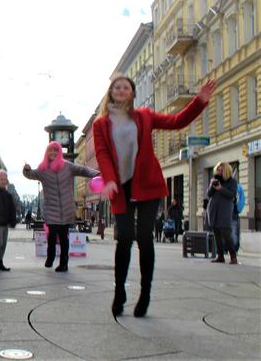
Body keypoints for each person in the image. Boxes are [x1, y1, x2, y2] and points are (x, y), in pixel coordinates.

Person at [93, 75, 215, 317]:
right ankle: (119, 292)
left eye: (125, 87)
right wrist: (108, 180)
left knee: (144, 237)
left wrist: (199, 101)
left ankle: (145, 293)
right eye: (117, 87)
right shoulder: (100, 124)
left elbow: (177, 121)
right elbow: (102, 152)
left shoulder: (145, 116)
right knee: (125, 237)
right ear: (111, 91)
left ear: (132, 93)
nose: (121, 89)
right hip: (120, 187)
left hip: (147, 184)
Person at [23, 141, 99, 272]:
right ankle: (50, 257)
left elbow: (83, 169)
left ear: (59, 152)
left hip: (66, 209)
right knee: (51, 236)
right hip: (51, 209)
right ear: (47, 153)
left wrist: (96, 174)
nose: (52, 153)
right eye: (50, 150)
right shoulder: (43, 169)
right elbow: (31, 175)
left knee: (64, 238)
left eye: (55, 150)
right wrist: (27, 170)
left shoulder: (67, 166)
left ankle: (64, 263)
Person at [207, 162, 238, 265]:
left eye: (221, 170)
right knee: (216, 233)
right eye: (218, 170)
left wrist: (221, 189)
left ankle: (233, 256)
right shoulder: (215, 179)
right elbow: (209, 194)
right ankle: (220, 256)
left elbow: (232, 195)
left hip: (224, 210)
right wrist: (212, 185)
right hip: (213, 209)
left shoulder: (232, 181)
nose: (219, 172)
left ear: (226, 171)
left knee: (226, 233)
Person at [232, 183, 245, 253]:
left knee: (233, 233)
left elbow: (242, 197)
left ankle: (234, 249)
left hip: (233, 213)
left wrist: (238, 209)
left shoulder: (237, 186)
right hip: (228, 213)